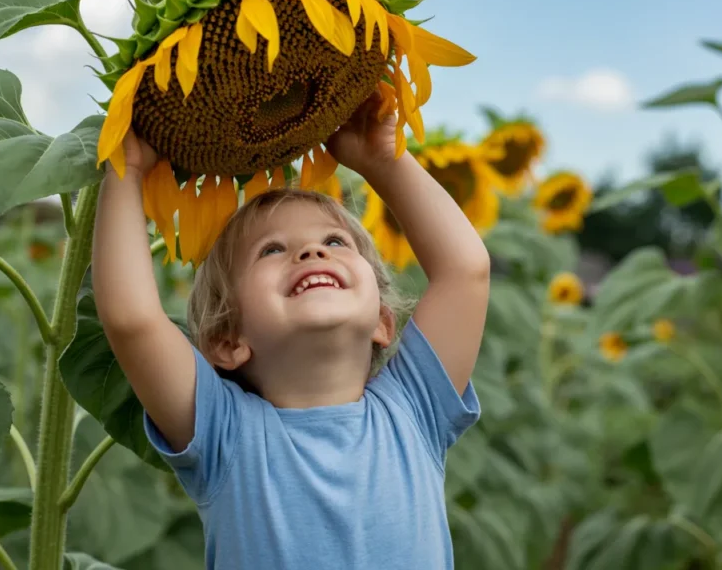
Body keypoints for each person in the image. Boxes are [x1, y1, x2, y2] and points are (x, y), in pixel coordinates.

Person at [91, 93, 490, 569]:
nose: (312, 253)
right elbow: (132, 319)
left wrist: (383, 161)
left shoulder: (413, 408)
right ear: (227, 340)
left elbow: (465, 272)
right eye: (272, 250)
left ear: (383, 322)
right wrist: (126, 171)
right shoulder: (224, 432)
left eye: (335, 241)